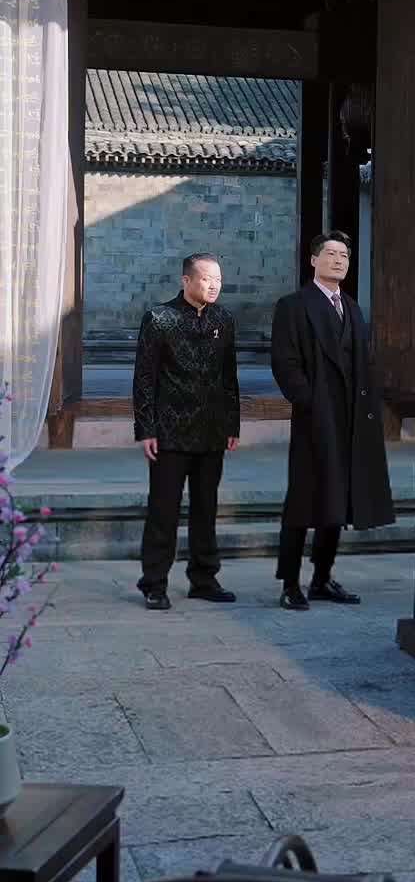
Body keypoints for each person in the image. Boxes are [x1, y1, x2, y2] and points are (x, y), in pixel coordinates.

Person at [270, 230, 394, 612]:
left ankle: (322, 577)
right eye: (331, 254)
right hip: (315, 418)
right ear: (313, 260)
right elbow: (284, 362)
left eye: (344, 255)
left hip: (352, 419)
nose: (339, 260)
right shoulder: (293, 305)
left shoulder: (352, 308)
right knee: (302, 501)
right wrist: (307, 400)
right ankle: (290, 582)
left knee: (339, 500)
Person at [133, 252, 240, 612]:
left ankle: (204, 579)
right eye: (207, 278)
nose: (214, 285)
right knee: (163, 511)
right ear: (187, 280)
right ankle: (154, 583)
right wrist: (146, 428)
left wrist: (232, 424)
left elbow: (229, 377)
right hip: (169, 433)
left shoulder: (224, 319)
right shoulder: (159, 319)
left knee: (206, 509)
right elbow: (144, 379)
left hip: (211, 431)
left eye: (218, 280)